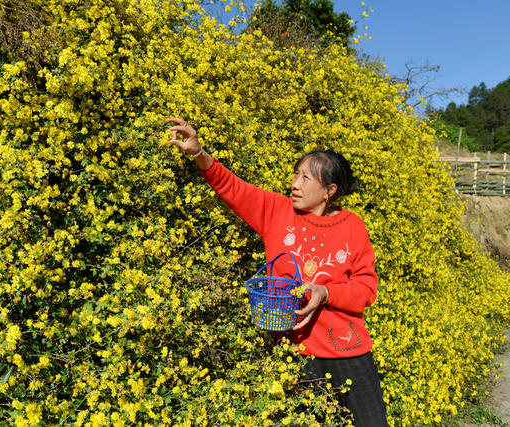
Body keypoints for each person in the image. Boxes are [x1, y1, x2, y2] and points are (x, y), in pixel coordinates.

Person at [166, 117, 388, 426]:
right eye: (296, 175)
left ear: (329, 190)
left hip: (346, 351)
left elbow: (366, 290)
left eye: (306, 178)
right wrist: (198, 153)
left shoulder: (352, 226)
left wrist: (326, 293)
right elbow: (233, 188)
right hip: (293, 352)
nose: (295, 184)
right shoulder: (277, 211)